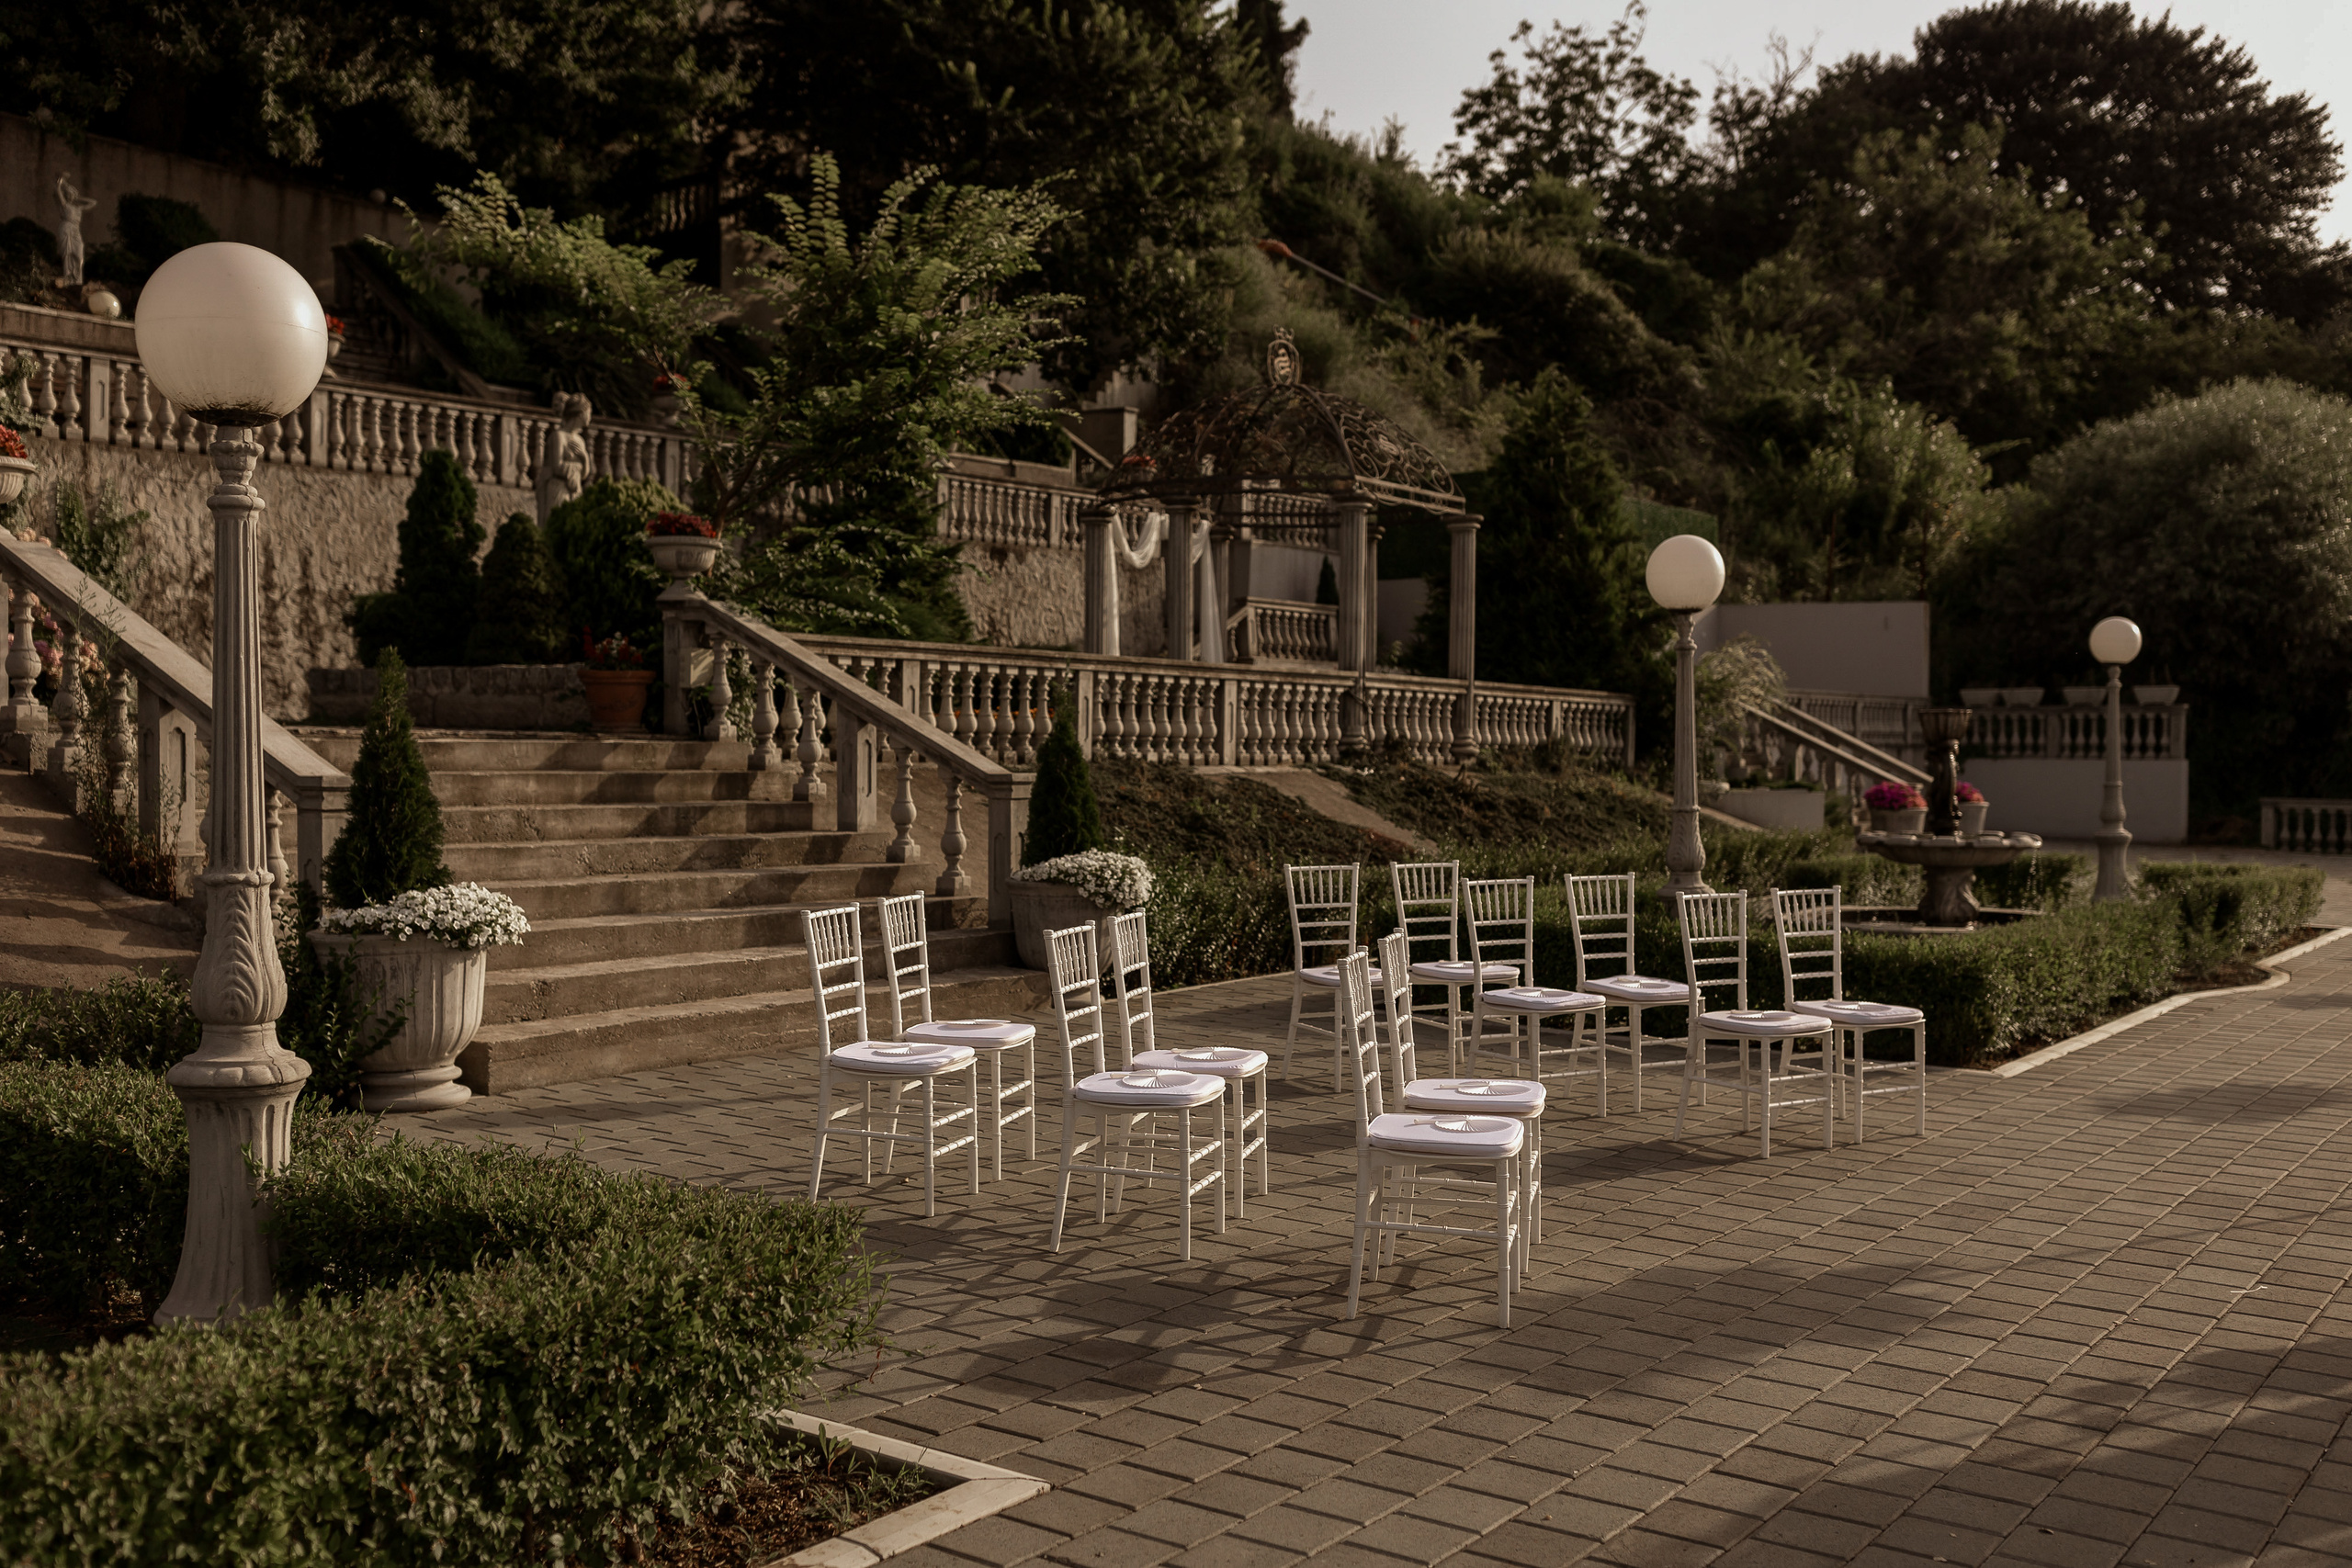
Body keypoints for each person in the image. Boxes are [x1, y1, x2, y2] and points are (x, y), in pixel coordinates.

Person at [56, 176, 97, 286]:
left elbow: (93, 202)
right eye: (68, 194)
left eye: (72, 194)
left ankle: (76, 278)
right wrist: (61, 185)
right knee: (67, 254)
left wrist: (78, 198)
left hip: (76, 230)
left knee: (79, 255)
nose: (70, 196)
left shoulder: (78, 208)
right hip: (66, 228)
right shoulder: (65, 205)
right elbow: (58, 192)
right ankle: (68, 278)